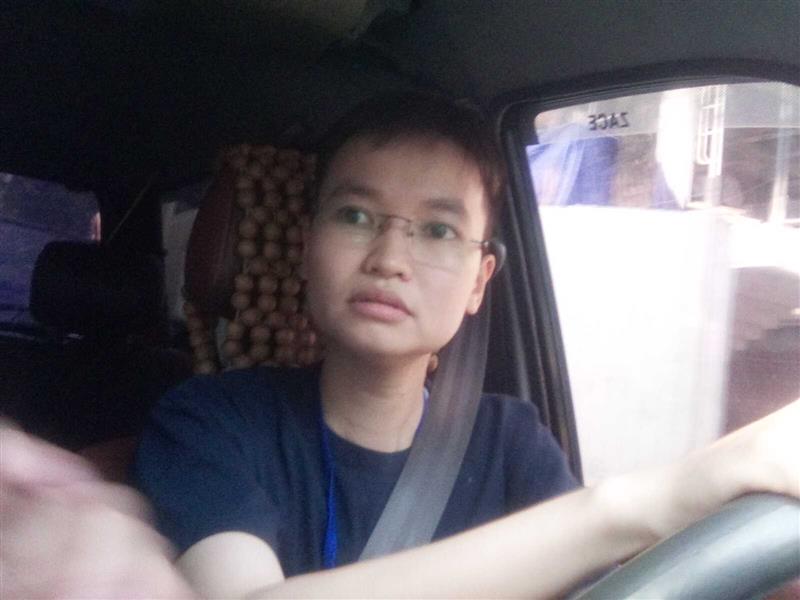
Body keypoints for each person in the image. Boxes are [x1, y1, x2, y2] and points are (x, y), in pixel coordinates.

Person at [1, 93, 799, 600]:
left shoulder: (512, 441)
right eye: (355, 216)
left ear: (480, 280)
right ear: (306, 246)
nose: (390, 257)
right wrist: (647, 502)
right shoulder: (207, 423)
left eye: (439, 230)